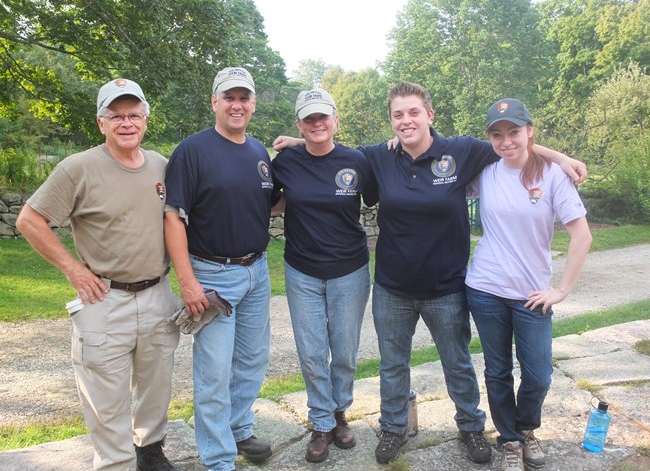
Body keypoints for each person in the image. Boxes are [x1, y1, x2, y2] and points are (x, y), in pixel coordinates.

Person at [274, 81, 586, 466]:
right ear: (390, 121)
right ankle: (393, 429)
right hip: (392, 286)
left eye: (413, 112)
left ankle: (471, 427)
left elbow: (512, 144)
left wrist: (561, 157)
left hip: (447, 286)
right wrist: (298, 141)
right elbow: (331, 153)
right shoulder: (378, 157)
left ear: (430, 115)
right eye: (398, 114)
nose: (406, 121)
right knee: (392, 364)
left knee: (457, 362)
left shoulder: (461, 151)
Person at [16, 78, 181, 471]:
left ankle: (151, 451)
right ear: (101, 122)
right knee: (106, 400)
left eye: (134, 115)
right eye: (116, 115)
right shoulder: (78, 168)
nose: (127, 123)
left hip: (158, 293)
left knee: (156, 387)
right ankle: (115, 465)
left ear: (145, 119)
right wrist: (73, 270)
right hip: (106, 298)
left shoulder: (161, 165)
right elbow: (30, 220)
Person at [465, 98, 592, 471]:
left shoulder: (553, 175)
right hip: (485, 288)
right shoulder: (484, 171)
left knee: (538, 374)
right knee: (497, 369)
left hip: (533, 295)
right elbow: (436, 158)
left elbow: (581, 236)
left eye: (514, 132)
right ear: (489, 138)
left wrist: (561, 290)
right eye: (497, 134)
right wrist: (396, 144)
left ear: (530, 131)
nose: (506, 141)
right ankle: (509, 440)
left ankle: (526, 428)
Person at [163, 67, 273, 471]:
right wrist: (187, 281)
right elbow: (173, 217)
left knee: (253, 359)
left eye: (244, 97)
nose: (237, 104)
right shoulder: (192, 151)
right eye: (229, 97)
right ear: (214, 101)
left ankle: (238, 427)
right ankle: (218, 459)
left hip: (256, 272)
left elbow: (266, 203)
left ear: (253, 103)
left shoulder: (259, 152)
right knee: (213, 372)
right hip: (212, 276)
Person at [271, 89, 378, 462]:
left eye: (323, 118)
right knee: (312, 352)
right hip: (302, 270)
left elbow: (380, 192)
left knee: (345, 351)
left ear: (334, 120)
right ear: (300, 123)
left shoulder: (357, 160)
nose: (317, 124)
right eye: (309, 119)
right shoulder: (285, 162)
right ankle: (320, 423)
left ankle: (339, 413)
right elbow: (267, 199)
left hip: (349, 269)